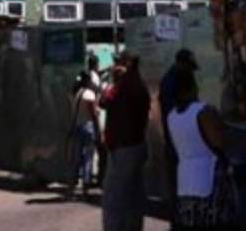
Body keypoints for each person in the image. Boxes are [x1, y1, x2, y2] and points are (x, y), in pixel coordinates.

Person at [166, 68, 237, 231]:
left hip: (185, 182)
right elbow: (220, 142)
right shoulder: (203, 111)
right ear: (193, 87)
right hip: (209, 180)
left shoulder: (172, 116)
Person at [100, 51, 151, 231]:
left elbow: (104, 101)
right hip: (137, 144)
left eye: (118, 62)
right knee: (133, 196)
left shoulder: (124, 86)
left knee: (113, 198)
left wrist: (113, 81)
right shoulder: (139, 85)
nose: (115, 65)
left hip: (123, 148)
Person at [159, 49, 199, 215]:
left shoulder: (180, 78)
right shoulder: (171, 82)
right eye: (188, 66)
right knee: (178, 182)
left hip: (181, 140)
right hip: (177, 140)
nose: (190, 71)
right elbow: (174, 114)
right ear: (180, 63)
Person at [69, 70, 102, 198]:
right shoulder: (89, 95)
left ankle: (72, 187)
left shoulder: (77, 93)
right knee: (88, 158)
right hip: (88, 127)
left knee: (76, 158)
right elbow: (93, 114)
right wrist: (98, 130)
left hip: (77, 127)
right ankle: (85, 189)